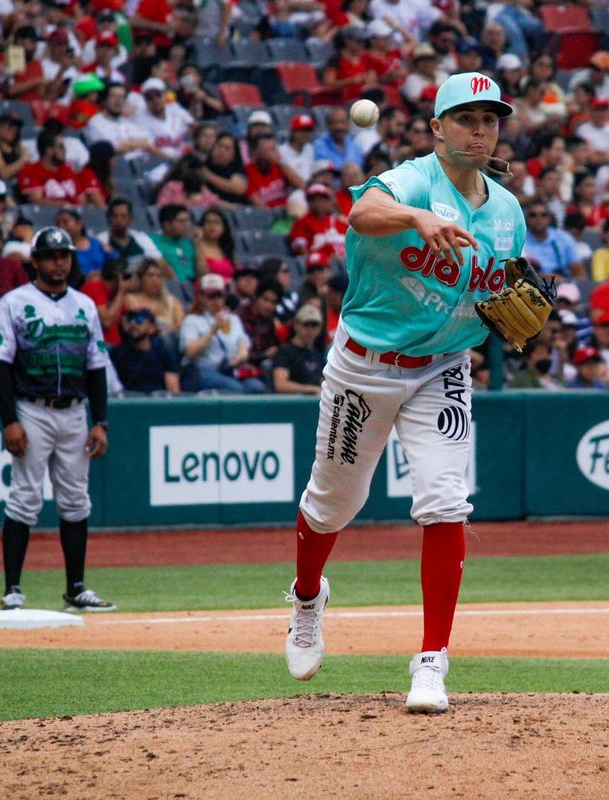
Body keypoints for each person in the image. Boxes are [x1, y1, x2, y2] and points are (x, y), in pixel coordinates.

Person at [282, 72, 529, 714]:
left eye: (490, 118)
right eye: (467, 117)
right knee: (333, 502)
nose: (480, 129)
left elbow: (495, 293)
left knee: (446, 501)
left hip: (442, 367)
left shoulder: (506, 213)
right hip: (364, 364)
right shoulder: (412, 180)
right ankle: (308, 595)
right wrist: (418, 216)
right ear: (437, 128)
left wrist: (507, 312)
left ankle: (431, 663)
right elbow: (361, 213)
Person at [0, 226, 114, 612]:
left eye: (65, 255)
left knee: (76, 501)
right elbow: (0, 366)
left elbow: (96, 367)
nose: (60, 262)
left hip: (74, 411)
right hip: (32, 408)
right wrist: (9, 419)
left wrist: (100, 421)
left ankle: (76, 587)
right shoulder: (12, 303)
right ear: (36, 261)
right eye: (52, 255)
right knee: (25, 497)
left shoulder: (84, 305)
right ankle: (13, 589)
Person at [179, 273, 266, 393]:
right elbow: (190, 352)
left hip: (229, 370)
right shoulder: (192, 320)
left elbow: (242, 341)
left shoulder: (232, 319)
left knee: (257, 387)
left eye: (219, 296)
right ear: (201, 297)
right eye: (211, 296)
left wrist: (241, 355)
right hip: (201, 372)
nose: (216, 301)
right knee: (235, 388)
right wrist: (213, 330)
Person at [109, 307, 181, 394]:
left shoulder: (163, 353)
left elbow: (173, 389)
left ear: (152, 328)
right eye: (130, 319)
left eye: (139, 319)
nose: (133, 323)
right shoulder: (117, 353)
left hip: (157, 402)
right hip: (128, 401)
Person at [272, 303, 326, 394]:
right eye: (306, 324)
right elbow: (280, 385)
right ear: (296, 325)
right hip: (292, 403)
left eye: (314, 325)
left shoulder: (317, 354)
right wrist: (311, 389)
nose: (310, 330)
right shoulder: (285, 351)